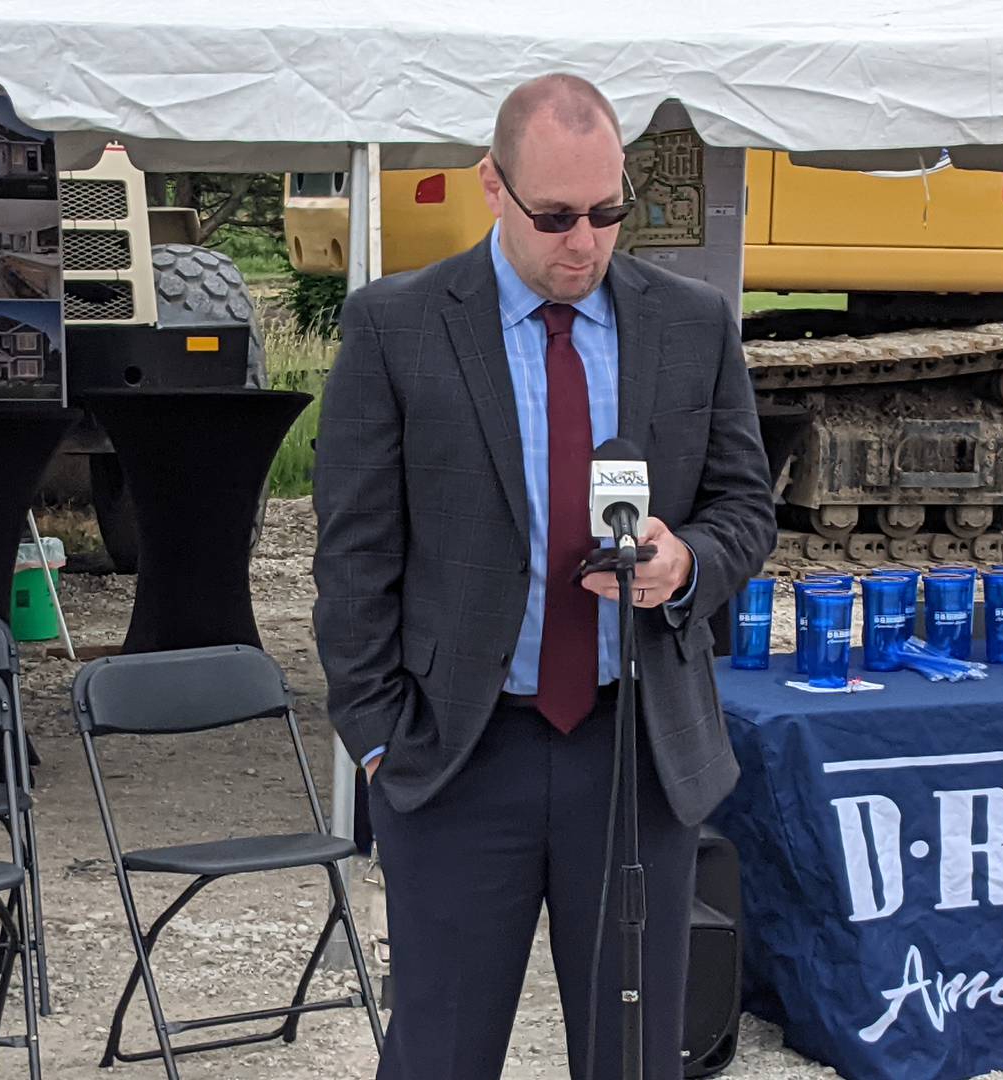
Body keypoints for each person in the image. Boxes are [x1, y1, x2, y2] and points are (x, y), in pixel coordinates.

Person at [313, 73, 774, 1080]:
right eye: (557, 216)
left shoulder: (693, 325)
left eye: (609, 213)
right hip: (461, 748)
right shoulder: (397, 328)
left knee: (634, 1055)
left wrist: (686, 561)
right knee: (441, 1051)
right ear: (492, 185)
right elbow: (351, 558)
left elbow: (748, 510)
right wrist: (381, 739)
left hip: (635, 748)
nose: (586, 242)